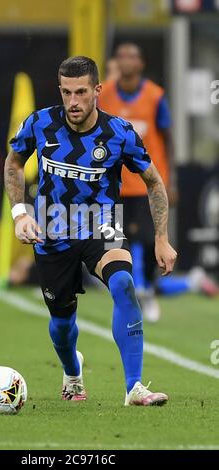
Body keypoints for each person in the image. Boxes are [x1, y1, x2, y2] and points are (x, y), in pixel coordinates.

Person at [4, 56, 177, 405]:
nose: (73, 101)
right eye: (66, 92)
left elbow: (154, 183)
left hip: (103, 223)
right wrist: (21, 214)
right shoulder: (40, 123)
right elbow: (13, 163)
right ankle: (72, 373)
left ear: (97, 90)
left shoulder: (119, 133)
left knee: (124, 283)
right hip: (53, 229)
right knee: (63, 323)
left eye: (81, 92)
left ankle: (134, 387)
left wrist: (161, 237)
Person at [98, 43, 177, 322]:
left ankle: (150, 291)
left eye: (132, 56)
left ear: (141, 63)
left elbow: (167, 137)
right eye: (121, 56)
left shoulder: (155, 96)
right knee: (117, 243)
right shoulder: (103, 94)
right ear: (116, 62)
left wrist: (170, 181)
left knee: (149, 239)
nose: (126, 61)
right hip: (113, 186)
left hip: (146, 184)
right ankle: (126, 295)